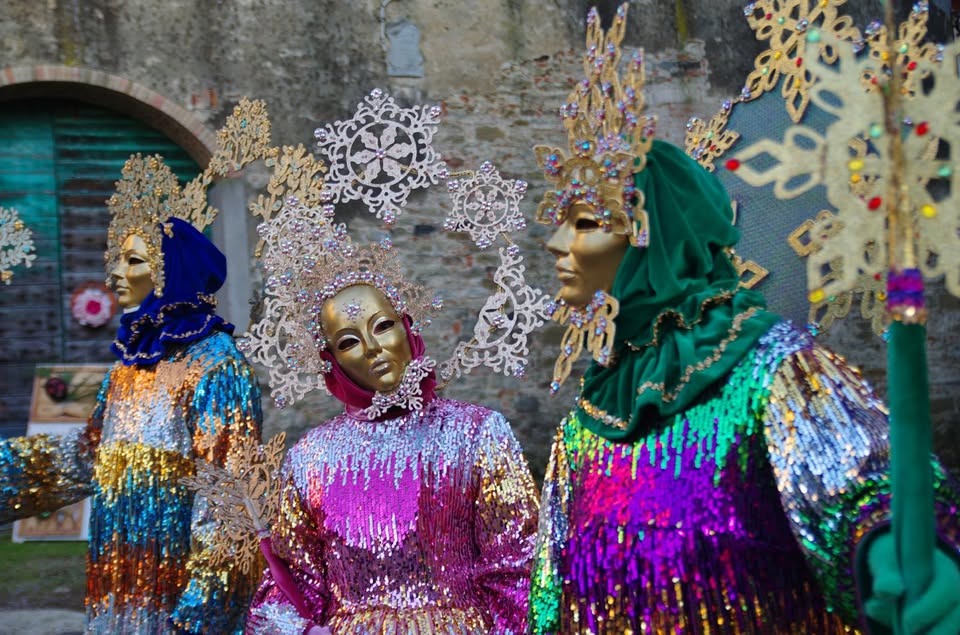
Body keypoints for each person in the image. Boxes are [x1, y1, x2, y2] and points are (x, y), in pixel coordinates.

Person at [526, 6, 960, 634]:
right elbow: (550, 597)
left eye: (587, 222)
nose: (556, 244)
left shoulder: (773, 372)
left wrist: (895, 556)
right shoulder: (585, 427)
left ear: (656, 237)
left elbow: (864, 495)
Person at [243, 201, 539, 635]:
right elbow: (289, 592)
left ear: (407, 327)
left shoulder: (477, 435)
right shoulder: (310, 460)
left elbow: (520, 572)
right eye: (349, 342)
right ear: (332, 361)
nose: (372, 348)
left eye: (382, 326)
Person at [0, 157, 263, 633]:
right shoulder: (129, 368)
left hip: (179, 606)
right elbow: (84, 459)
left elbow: (229, 507)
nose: (115, 273)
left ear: (173, 272)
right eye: (118, 259)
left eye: (134, 260)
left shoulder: (217, 365)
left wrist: (199, 617)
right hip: (117, 595)